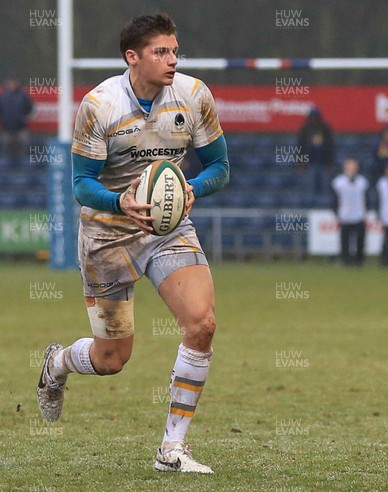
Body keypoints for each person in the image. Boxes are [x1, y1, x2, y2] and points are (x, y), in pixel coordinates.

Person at [36, 13, 229, 474]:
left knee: (201, 324)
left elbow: (220, 167)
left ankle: (172, 449)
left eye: (175, 50)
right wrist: (120, 202)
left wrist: (192, 189)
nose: (172, 60)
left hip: (168, 228)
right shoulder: (99, 104)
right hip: (107, 235)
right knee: (111, 359)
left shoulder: (194, 95)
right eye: (161, 52)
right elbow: (81, 183)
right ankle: (57, 364)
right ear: (133, 57)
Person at [331, 158, 369, 266]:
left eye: (354, 165)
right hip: (345, 215)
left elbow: (366, 198)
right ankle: (346, 260)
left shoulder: (363, 181)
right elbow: (334, 199)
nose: (352, 168)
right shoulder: (338, 182)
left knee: (360, 240)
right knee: (345, 240)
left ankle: (359, 260)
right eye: (349, 165)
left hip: (359, 215)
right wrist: (337, 212)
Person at [297, 107, 335, 194]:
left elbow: (331, 147)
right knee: (309, 185)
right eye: (312, 117)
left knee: (325, 185)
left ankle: (324, 204)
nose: (314, 119)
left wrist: (330, 163)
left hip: (324, 162)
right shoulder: (305, 129)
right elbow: (300, 147)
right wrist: (301, 163)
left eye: (316, 117)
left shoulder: (325, 129)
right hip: (309, 163)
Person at [0, 76, 33, 165]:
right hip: (6, 128)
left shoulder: (23, 96)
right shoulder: (3, 96)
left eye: (13, 82)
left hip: (21, 128)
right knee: (5, 147)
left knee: (24, 146)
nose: (12, 84)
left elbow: (30, 109)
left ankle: (23, 166)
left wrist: (24, 119)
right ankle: (5, 166)